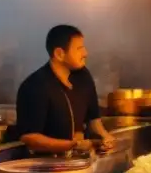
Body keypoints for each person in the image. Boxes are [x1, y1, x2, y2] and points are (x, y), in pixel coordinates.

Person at [16, 25, 114, 155]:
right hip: (44, 165)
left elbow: (93, 118)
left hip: (78, 160)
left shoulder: (83, 75)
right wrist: (71, 145)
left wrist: (104, 136)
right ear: (59, 54)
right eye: (79, 48)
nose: (85, 53)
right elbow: (30, 138)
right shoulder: (35, 86)